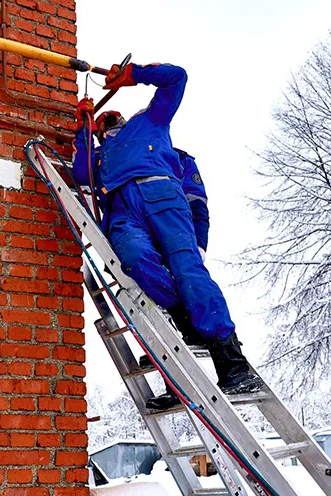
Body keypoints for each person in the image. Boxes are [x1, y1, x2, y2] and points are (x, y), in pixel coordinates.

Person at [72, 62, 263, 410]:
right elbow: (81, 174)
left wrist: (135, 74)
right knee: (135, 262)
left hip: (161, 196)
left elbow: (177, 77)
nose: (108, 122)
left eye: (112, 117)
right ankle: (187, 323)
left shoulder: (150, 122)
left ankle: (234, 368)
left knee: (189, 272)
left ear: (125, 118)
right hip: (122, 211)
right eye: (102, 122)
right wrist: (82, 128)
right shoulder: (98, 155)